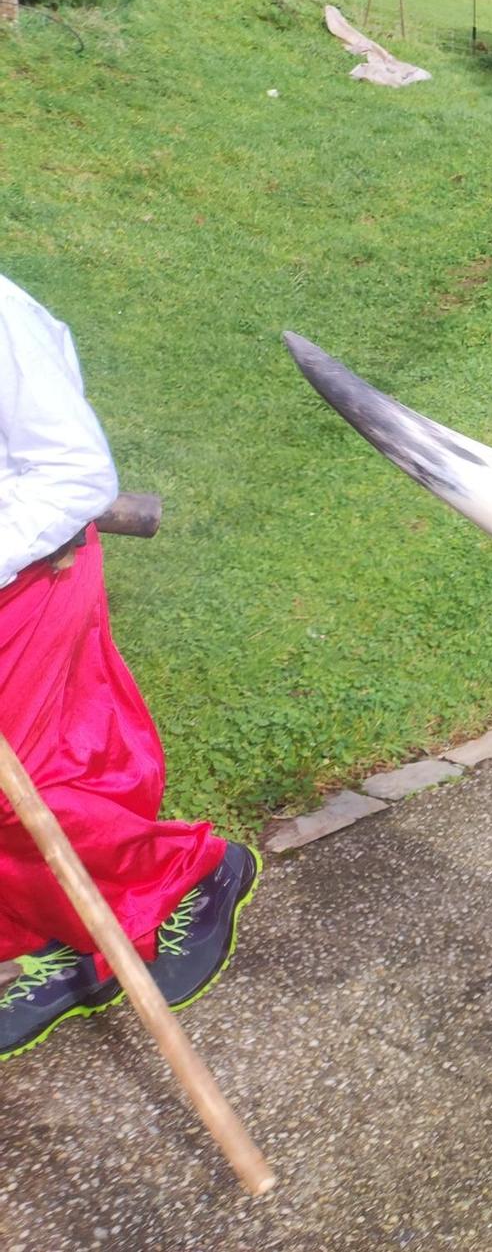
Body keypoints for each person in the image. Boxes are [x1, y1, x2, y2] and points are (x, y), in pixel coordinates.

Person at [0, 274, 261, 1062]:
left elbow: (76, 474)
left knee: (33, 785)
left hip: (25, 576)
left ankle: (190, 875)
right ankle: (40, 942)